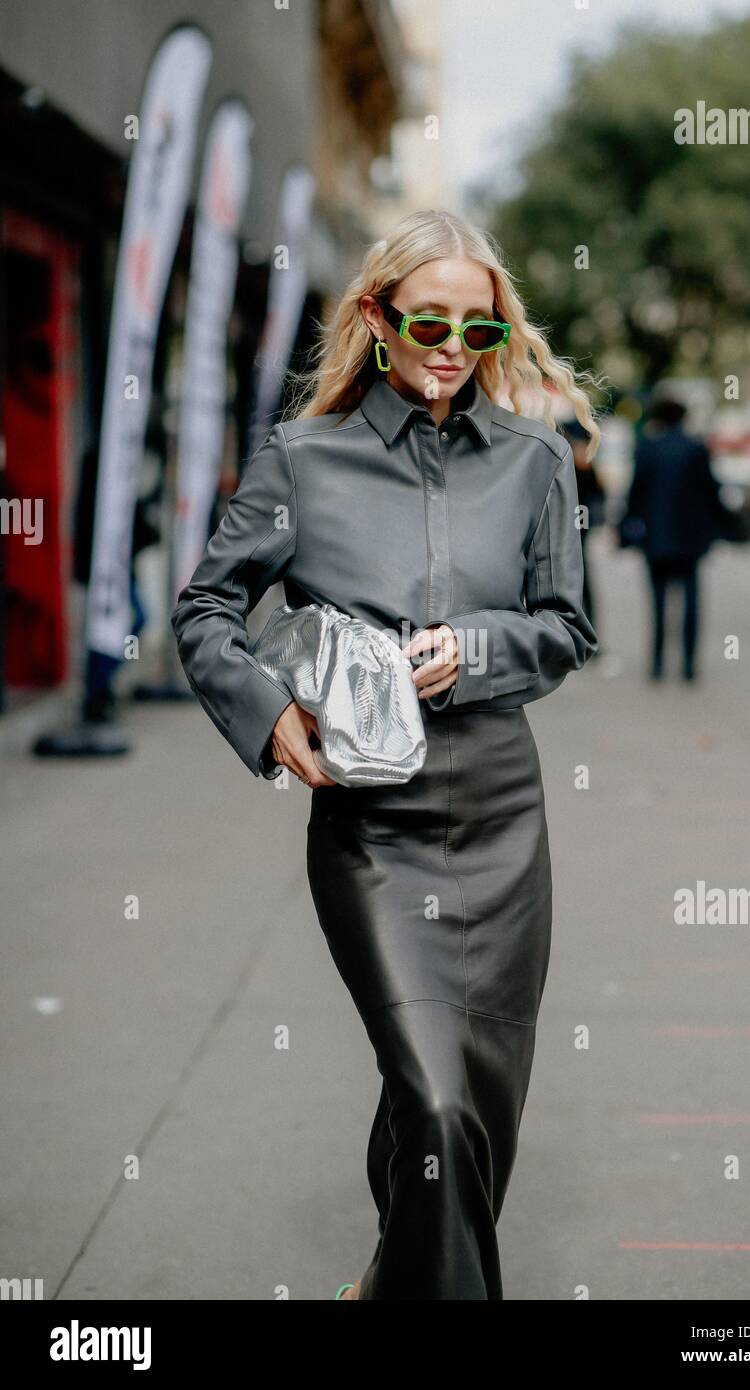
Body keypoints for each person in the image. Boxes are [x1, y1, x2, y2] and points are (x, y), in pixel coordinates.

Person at [171, 209, 599, 1300]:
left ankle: (389, 1281)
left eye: (481, 330)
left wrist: (482, 645)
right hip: (373, 825)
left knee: (465, 1109)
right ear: (375, 315)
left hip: (503, 814)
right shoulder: (300, 458)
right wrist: (268, 714)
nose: (455, 346)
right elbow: (209, 607)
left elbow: (566, 626)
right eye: (430, 321)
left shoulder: (537, 461)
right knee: (437, 1093)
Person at [622, 396, 723, 681]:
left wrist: (626, 530)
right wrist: (720, 528)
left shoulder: (647, 447)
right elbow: (711, 492)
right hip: (690, 539)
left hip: (655, 539)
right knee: (691, 602)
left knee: (657, 603)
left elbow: (635, 493)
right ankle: (689, 665)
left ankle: (656, 663)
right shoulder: (696, 448)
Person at [562, 418, 605, 638]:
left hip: (579, 531)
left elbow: (598, 494)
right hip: (563, 530)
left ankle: (587, 633)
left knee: (583, 581)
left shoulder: (586, 467)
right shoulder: (561, 461)